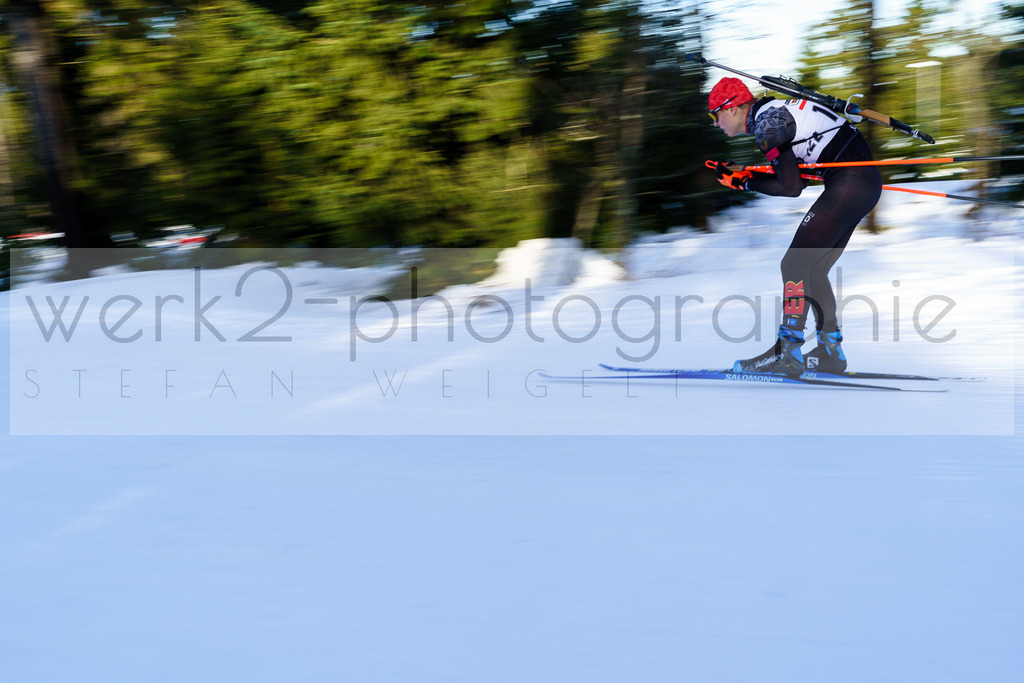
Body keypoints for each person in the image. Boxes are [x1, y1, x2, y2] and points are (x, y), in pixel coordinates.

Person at [707, 76, 882, 376]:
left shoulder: (767, 125)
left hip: (851, 182)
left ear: (732, 108)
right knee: (812, 270)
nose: (715, 123)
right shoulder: (772, 114)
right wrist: (746, 176)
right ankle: (830, 351)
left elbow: (791, 187)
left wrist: (746, 181)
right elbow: (794, 173)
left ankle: (787, 352)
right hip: (862, 184)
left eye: (715, 115)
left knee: (793, 265)